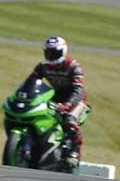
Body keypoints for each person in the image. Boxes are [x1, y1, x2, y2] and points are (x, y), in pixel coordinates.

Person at [24, 36, 88, 169]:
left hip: (77, 99)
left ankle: (74, 152)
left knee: (69, 120)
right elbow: (30, 82)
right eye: (48, 52)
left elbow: (78, 89)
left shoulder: (73, 66)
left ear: (63, 51)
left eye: (54, 52)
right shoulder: (43, 67)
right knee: (36, 114)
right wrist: (26, 96)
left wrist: (68, 104)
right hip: (57, 97)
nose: (51, 56)